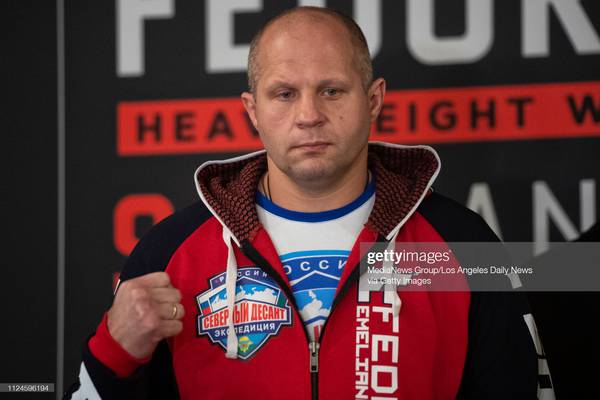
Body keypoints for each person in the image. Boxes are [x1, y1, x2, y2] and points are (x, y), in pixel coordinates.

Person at [65, 6, 538, 399]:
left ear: (374, 100)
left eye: (331, 90)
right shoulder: (169, 254)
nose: (309, 115)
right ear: (253, 110)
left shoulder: (463, 245)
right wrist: (113, 352)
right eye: (284, 94)